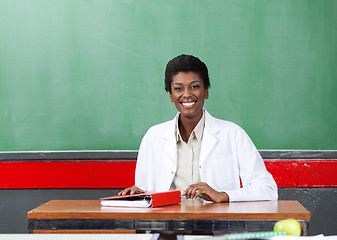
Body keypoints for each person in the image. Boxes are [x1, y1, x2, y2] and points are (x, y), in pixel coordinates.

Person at [119, 54, 278, 202]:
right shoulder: (153, 136)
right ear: (170, 95)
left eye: (194, 86)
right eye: (178, 88)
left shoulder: (233, 134)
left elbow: (268, 189)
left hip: (214, 228)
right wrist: (138, 193)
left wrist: (223, 195)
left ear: (206, 91)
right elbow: (146, 189)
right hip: (167, 227)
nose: (187, 94)